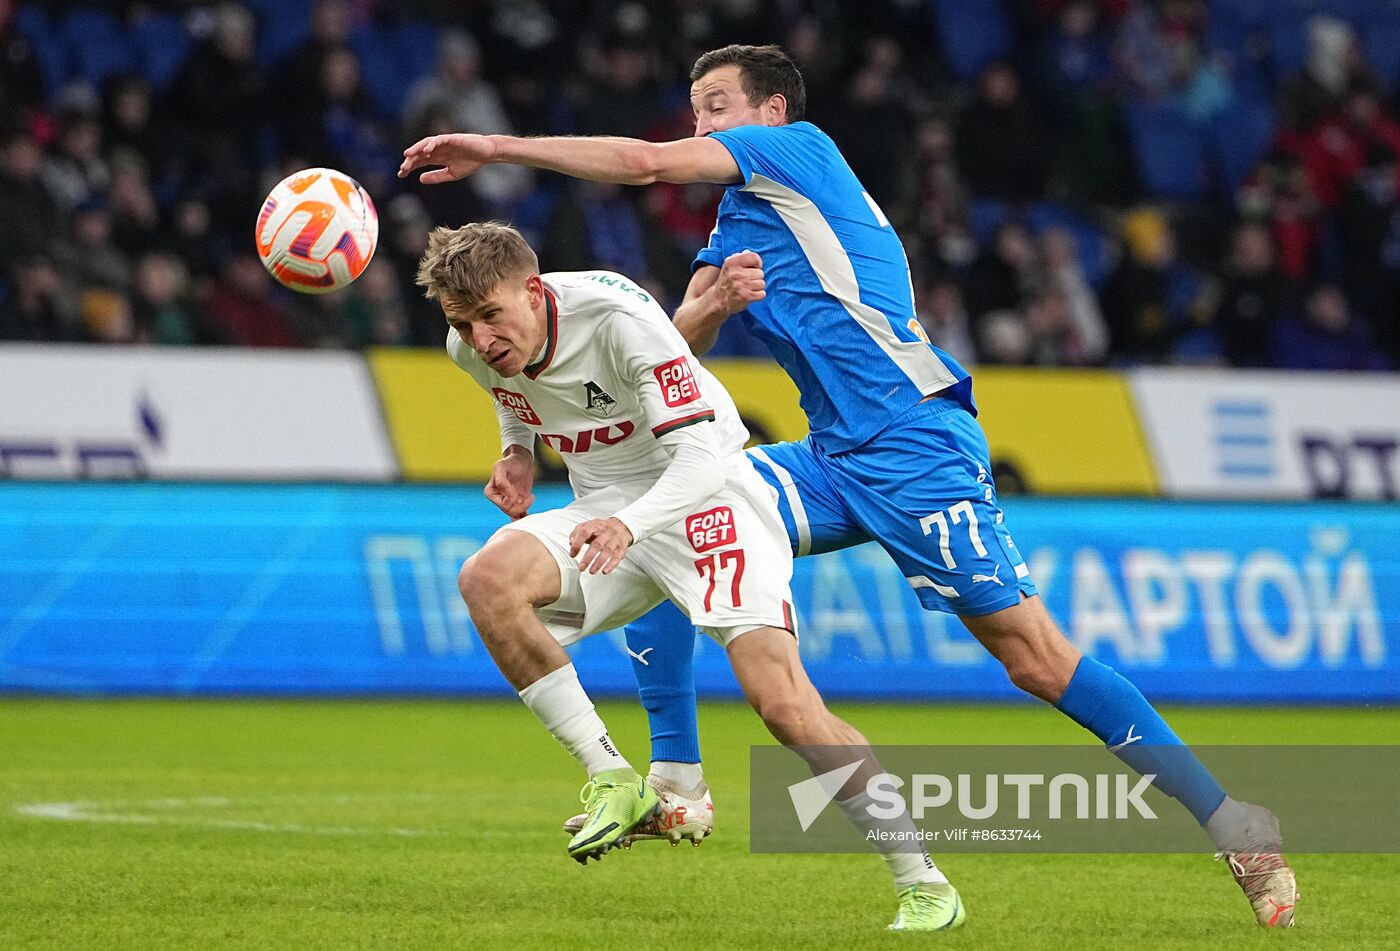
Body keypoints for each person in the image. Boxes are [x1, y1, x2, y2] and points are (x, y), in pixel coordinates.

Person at [399, 45, 1297, 928]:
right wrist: (703, 313)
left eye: (717, 105)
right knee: (685, 505)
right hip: (829, 454)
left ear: (771, 113)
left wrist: (495, 147)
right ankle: (677, 782)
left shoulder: (802, 152)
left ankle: (1234, 823)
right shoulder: (736, 226)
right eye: (697, 107)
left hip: (915, 442)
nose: (702, 122)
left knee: (1032, 657)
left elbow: (640, 163)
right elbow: (669, 361)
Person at [420, 221, 964, 930]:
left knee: (784, 707)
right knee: (487, 580)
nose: (481, 337)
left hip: (709, 499)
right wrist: (517, 452)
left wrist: (630, 523)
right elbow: (511, 394)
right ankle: (613, 776)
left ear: (534, 289)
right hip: (606, 509)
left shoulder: (620, 318)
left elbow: (704, 455)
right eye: (464, 322)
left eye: (491, 315)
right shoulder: (469, 345)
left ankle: (924, 880)